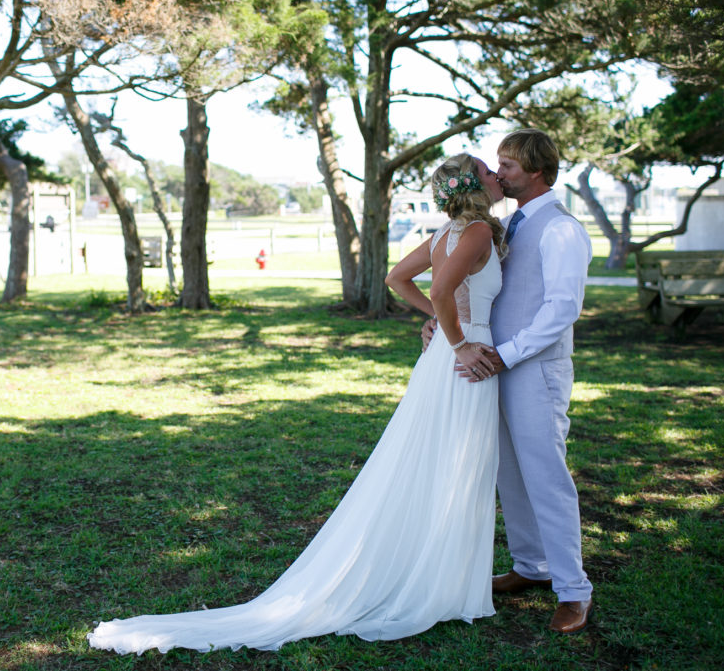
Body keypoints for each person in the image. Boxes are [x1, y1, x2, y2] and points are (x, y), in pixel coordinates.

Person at [87, 154, 507, 655]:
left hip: (445, 358)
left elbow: (399, 280)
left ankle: (441, 578)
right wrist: (458, 340)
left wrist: (441, 324)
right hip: (464, 359)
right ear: (472, 185)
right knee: (457, 466)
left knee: (440, 465)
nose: (496, 176)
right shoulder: (476, 231)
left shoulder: (444, 235)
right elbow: (437, 290)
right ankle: (441, 585)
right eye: (487, 170)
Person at [426, 128, 594, 633]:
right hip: (493, 365)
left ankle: (574, 590)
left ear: (537, 171)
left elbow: (562, 309)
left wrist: (507, 354)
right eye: (496, 165)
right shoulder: (506, 224)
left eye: (508, 166)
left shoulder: (560, 229)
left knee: (546, 475)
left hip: (533, 368)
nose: (498, 174)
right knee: (510, 474)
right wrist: (443, 323)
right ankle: (531, 565)